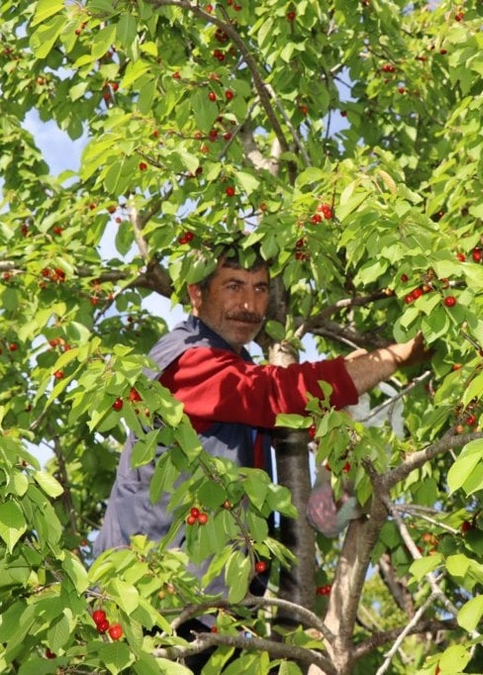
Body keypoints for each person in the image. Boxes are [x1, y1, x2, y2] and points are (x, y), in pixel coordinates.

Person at [93, 245, 428, 670]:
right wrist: (395, 356)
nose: (249, 305)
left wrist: (341, 430)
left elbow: (286, 402)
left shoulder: (235, 364)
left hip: (212, 602)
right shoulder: (187, 359)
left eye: (260, 289)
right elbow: (274, 394)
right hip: (154, 605)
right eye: (233, 287)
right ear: (196, 294)